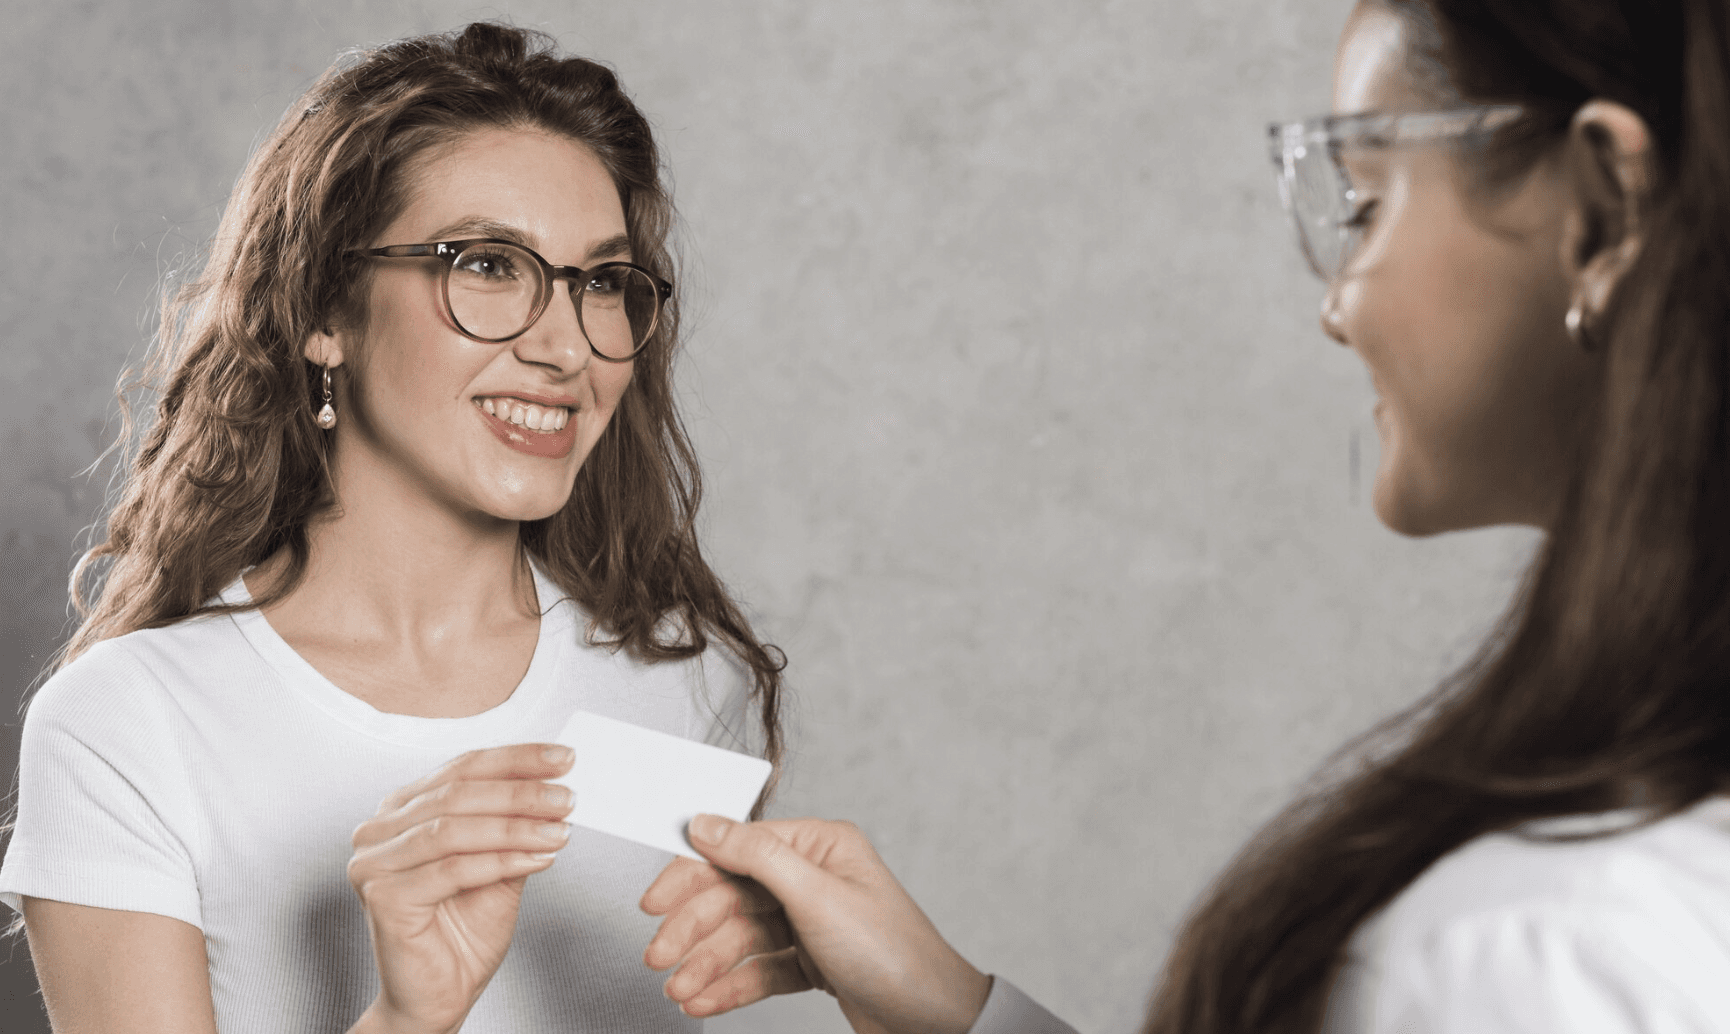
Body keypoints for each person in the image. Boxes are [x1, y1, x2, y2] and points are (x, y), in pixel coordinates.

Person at [637, 1, 1730, 1031]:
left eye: (1363, 203)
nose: (1335, 306)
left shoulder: (1522, 953)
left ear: (1601, 211)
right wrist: (957, 1007)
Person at [0, 23, 787, 1034]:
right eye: (489, 264)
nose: (563, 346)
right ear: (324, 307)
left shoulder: (683, 679)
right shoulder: (129, 725)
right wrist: (407, 1019)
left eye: (601, 279)